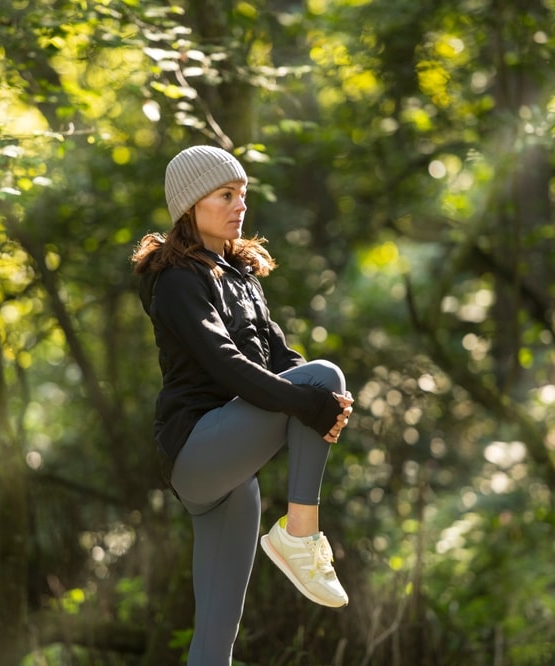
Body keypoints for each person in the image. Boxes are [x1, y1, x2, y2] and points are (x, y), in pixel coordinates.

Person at [132, 145, 355, 665]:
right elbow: (227, 365)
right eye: (226, 195)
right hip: (195, 448)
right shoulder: (178, 279)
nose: (240, 206)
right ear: (191, 206)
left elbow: (279, 357)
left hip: (232, 479)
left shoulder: (240, 276)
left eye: (243, 195)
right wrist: (309, 399)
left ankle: (296, 538)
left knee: (215, 639)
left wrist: (326, 404)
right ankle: (300, 535)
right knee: (321, 380)